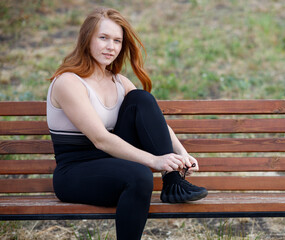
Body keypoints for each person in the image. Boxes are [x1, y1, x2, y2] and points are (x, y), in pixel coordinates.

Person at [46, 7, 207, 240]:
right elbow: (100, 139)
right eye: (103, 38)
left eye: (117, 40)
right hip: (75, 172)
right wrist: (155, 160)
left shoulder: (119, 81)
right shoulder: (69, 82)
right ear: (87, 39)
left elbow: (156, 122)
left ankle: (174, 183)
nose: (111, 46)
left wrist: (182, 155)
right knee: (139, 176)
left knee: (142, 98)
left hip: (112, 163)